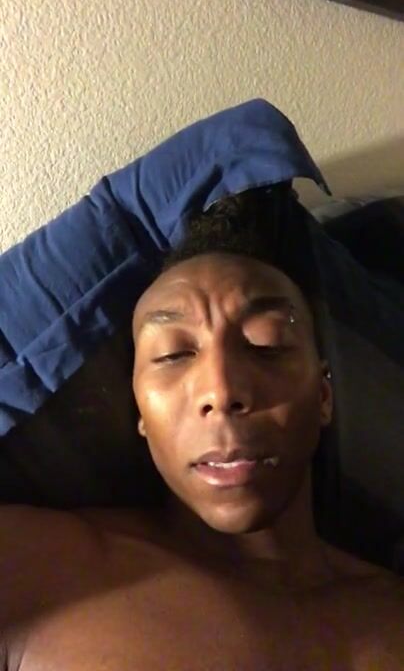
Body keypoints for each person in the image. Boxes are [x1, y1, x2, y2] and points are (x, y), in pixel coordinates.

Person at [1, 192, 403, 671]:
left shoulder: (391, 610)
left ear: (323, 395)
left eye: (267, 344)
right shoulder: (34, 567)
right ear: (140, 411)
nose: (222, 389)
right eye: (173, 354)